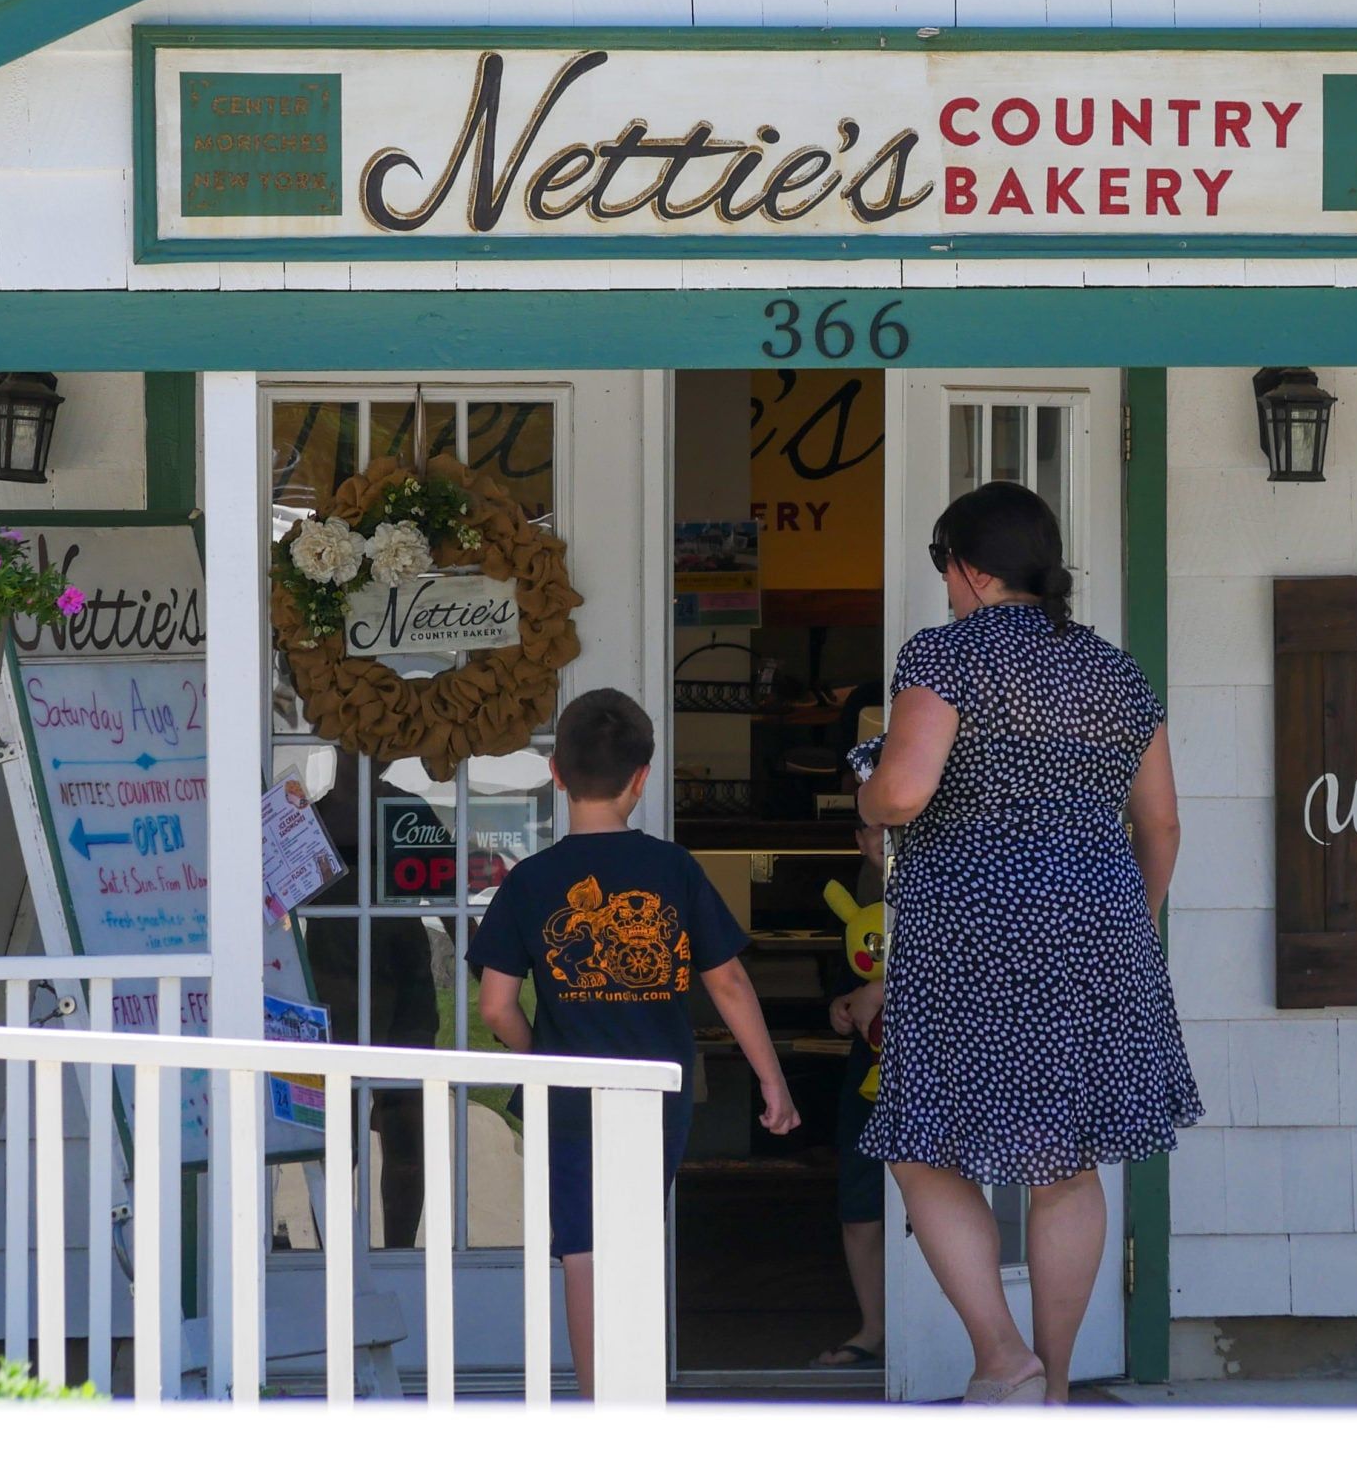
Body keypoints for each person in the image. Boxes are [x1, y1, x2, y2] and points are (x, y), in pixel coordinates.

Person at [850, 481, 1200, 1406]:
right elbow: (1160, 823)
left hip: (971, 932)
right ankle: (1052, 1391)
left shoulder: (948, 655)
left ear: (970, 567)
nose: (945, 587)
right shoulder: (1117, 672)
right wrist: (1136, 924)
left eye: (943, 568)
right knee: (1066, 1159)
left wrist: (866, 794)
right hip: (1098, 929)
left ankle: (1002, 1355)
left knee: (923, 1142)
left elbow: (903, 793)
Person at [472, 686, 801, 1397]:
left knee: (584, 1249)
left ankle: (603, 1411)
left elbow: (496, 1004)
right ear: (642, 776)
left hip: (568, 1086)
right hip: (658, 1087)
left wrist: (537, 1061)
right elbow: (731, 984)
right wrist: (772, 1079)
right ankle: (638, 1394)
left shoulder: (529, 881)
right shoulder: (674, 869)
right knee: (634, 1236)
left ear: (555, 772)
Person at [810, 820, 888, 1372]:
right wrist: (842, 1006)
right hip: (867, 1078)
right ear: (859, 841)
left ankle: (952, 1328)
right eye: (870, 830)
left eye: (892, 828)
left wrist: (884, 989)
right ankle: (875, 1327)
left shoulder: (955, 883)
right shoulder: (859, 903)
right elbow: (846, 986)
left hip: (940, 1074)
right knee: (861, 1209)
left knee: (941, 1203)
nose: (881, 839)